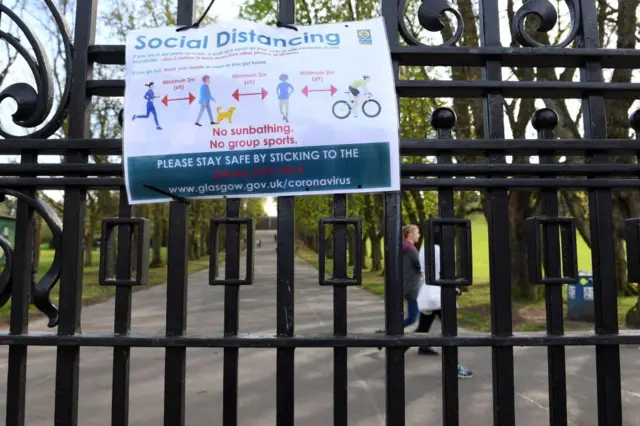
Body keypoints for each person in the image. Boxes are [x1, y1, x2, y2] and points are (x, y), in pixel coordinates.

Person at [416, 228, 474, 379]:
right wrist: (454, 288)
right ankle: (453, 367)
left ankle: (396, 352)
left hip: (427, 293)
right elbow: (443, 274)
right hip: (439, 296)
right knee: (450, 333)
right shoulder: (440, 251)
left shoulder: (424, 249)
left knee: (422, 328)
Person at [402, 224, 422, 328]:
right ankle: (389, 331)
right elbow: (420, 266)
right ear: (410, 233)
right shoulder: (411, 250)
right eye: (417, 232)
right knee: (412, 318)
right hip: (413, 288)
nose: (419, 235)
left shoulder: (405, 248)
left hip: (408, 285)